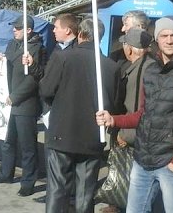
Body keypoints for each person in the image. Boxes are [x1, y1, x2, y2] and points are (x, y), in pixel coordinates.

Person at [96, 16, 173, 213]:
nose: (168, 40)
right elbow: (143, 115)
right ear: (156, 39)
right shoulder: (150, 70)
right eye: (164, 35)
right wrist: (113, 120)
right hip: (142, 161)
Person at [40, 18, 119, 213]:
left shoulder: (63, 57)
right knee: (85, 192)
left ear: (81, 34)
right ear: (100, 37)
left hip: (62, 134)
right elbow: (114, 102)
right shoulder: (111, 66)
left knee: (58, 189)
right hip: (92, 136)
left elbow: (46, 89)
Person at [0, 15, 44, 198]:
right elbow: (9, 66)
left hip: (25, 104)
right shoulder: (12, 45)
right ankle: (6, 173)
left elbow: (34, 79)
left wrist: (16, 96)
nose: (14, 30)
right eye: (14, 27)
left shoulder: (37, 49)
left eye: (18, 28)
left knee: (27, 146)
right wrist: (1, 59)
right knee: (8, 141)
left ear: (28, 30)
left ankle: (28, 182)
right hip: (7, 102)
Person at [33, 13, 79, 205]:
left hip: (68, 113)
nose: (53, 30)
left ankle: (67, 195)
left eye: (56, 27)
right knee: (52, 156)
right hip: (51, 111)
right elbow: (47, 76)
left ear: (67, 30)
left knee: (67, 157)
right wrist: (34, 65)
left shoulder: (78, 51)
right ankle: (54, 193)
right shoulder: (56, 49)